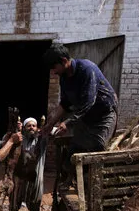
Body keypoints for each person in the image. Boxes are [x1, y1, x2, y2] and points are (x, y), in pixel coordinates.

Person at [41, 43, 119, 187]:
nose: (53, 72)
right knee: (73, 152)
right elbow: (64, 103)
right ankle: (71, 181)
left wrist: (67, 123)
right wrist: (50, 124)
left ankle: (94, 186)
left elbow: (88, 103)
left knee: (97, 146)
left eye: (54, 67)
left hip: (104, 114)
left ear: (64, 61)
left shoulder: (87, 69)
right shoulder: (64, 77)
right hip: (86, 116)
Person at [4, 117, 47, 211]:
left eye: (34, 126)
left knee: (35, 208)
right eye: (29, 126)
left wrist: (47, 127)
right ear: (24, 128)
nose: (31, 128)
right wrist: (13, 131)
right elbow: (5, 141)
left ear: (37, 127)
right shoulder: (19, 140)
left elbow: (54, 131)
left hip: (35, 181)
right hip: (19, 180)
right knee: (13, 204)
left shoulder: (42, 140)